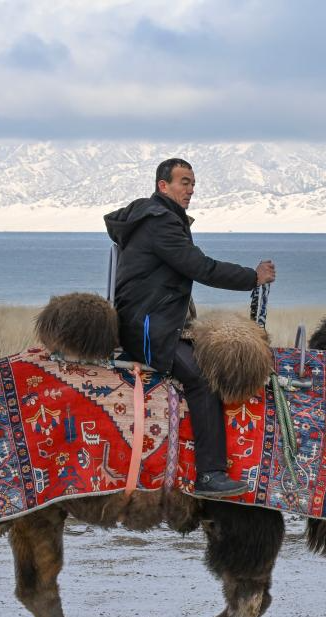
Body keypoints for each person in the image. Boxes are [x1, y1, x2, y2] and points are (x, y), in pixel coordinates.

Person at [104, 158, 276, 497]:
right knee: (202, 378)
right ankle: (210, 474)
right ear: (163, 185)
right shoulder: (160, 222)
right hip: (148, 328)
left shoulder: (157, 218)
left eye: (193, 183)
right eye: (184, 182)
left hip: (151, 320)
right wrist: (251, 277)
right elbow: (200, 267)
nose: (191, 189)